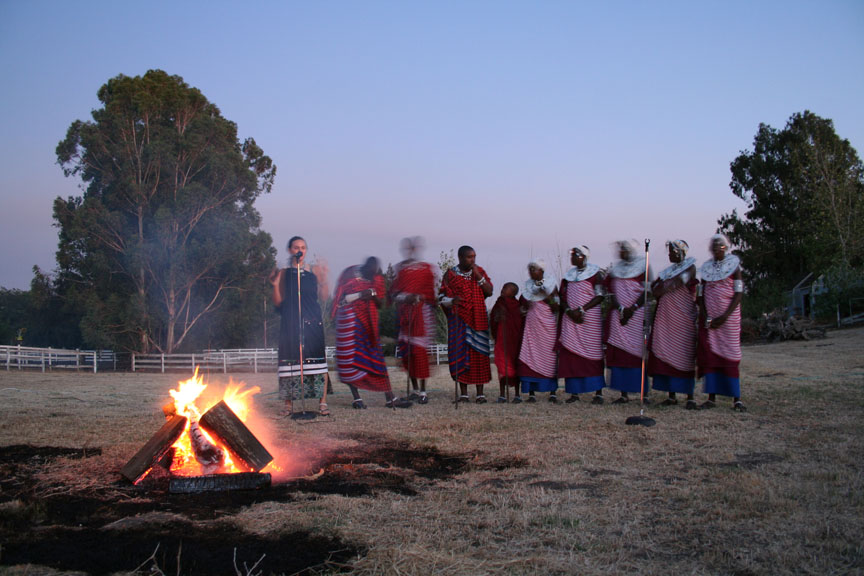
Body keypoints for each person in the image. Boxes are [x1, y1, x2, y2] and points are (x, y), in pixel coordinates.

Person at [332, 257, 411, 409]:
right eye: (370, 273)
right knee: (349, 361)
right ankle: (357, 399)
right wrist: (361, 294)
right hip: (349, 323)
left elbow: (380, 303)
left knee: (376, 361)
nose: (372, 276)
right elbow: (340, 300)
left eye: (374, 274)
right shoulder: (349, 274)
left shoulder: (377, 279)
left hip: (369, 326)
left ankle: (390, 398)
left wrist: (373, 295)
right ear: (365, 267)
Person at [268, 236, 330, 417]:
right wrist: (274, 285)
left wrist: (324, 278)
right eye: (296, 247)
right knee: (290, 361)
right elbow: (278, 302)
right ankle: (288, 405)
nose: (299, 250)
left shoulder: (313, 272)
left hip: (312, 321)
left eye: (303, 247)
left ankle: (323, 402)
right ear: (290, 250)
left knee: (318, 361)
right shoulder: (283, 273)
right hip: (290, 322)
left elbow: (324, 296)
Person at [439, 245, 493, 403]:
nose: (473, 260)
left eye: (474, 256)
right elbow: (441, 297)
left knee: (479, 355)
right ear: (461, 258)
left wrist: (478, 276)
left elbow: (489, 292)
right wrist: (452, 301)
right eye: (469, 257)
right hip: (459, 320)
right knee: (460, 354)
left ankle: (480, 394)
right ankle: (463, 394)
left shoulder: (479, 271)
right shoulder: (450, 274)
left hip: (478, 318)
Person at [697, 234, 745, 411]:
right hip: (710, 321)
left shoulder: (734, 267)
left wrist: (725, 316)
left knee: (730, 357)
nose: (716, 247)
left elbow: (738, 293)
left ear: (725, 247)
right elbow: (700, 294)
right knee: (711, 357)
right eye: (714, 245)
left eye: (720, 245)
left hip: (728, 319)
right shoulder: (706, 268)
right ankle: (711, 397)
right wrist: (706, 315)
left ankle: (736, 399)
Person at [649, 240, 699, 409]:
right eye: (669, 252)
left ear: (681, 252)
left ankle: (689, 396)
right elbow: (654, 290)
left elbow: (681, 281)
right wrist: (660, 287)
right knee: (666, 354)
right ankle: (671, 395)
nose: (669, 255)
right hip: (666, 320)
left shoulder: (690, 267)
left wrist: (664, 287)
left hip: (682, 319)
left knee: (685, 355)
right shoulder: (666, 272)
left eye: (672, 251)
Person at [604, 239, 652, 404]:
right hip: (618, 316)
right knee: (621, 355)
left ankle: (642, 393)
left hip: (637, 315)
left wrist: (633, 308)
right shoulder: (615, 270)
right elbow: (610, 293)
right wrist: (621, 309)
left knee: (637, 354)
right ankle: (623, 394)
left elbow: (647, 291)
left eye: (624, 250)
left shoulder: (643, 267)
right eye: (620, 250)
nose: (621, 253)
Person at [390, 237, 437, 404]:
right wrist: (406, 297)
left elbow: (431, 295)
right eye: (408, 248)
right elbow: (393, 293)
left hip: (422, 315)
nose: (411, 250)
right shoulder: (400, 269)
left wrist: (419, 297)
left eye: (413, 247)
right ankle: (415, 390)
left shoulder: (426, 269)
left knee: (420, 353)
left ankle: (424, 392)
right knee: (408, 354)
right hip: (405, 316)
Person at [558, 245, 606, 404]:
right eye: (571, 255)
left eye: (576, 255)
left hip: (589, 320)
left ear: (584, 257)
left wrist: (582, 309)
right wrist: (569, 312)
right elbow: (562, 299)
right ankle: (574, 392)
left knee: (593, 355)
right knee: (571, 356)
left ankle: (598, 392)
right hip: (570, 320)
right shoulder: (567, 277)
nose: (572, 258)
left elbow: (600, 296)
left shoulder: (596, 274)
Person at [518, 259, 560, 403]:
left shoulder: (551, 284)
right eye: (529, 270)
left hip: (548, 326)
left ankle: (552, 392)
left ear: (541, 271)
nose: (531, 273)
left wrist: (546, 296)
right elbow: (521, 305)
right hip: (532, 326)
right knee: (530, 356)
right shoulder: (527, 286)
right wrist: (524, 307)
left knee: (550, 357)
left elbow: (556, 307)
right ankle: (531, 393)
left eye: (534, 269)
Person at [489, 282, 523, 403]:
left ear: (513, 292)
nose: (502, 290)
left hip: (514, 341)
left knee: (515, 366)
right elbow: (493, 318)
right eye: (503, 288)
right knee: (502, 367)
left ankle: (517, 395)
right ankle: (502, 394)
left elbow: (520, 321)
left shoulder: (516, 305)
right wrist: (497, 317)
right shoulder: (499, 303)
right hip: (502, 340)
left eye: (506, 289)